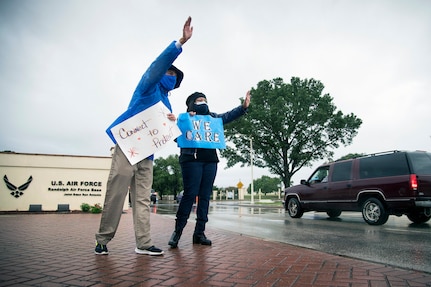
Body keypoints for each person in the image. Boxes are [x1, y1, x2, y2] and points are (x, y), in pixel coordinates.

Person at [95, 17, 193, 256]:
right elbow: (157, 66)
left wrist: (171, 120)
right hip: (127, 146)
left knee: (142, 199)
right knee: (117, 192)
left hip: (147, 155)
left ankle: (144, 242)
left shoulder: (167, 100)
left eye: (174, 74)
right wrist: (180, 42)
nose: (170, 75)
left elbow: (162, 130)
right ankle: (102, 239)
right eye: (168, 72)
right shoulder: (147, 86)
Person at [169, 90, 251, 248]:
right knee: (190, 194)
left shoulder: (213, 118)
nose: (203, 102)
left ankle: (199, 233)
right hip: (191, 160)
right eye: (199, 100)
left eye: (205, 100)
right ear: (192, 104)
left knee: (205, 197)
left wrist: (243, 107)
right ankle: (177, 232)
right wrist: (176, 122)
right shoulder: (184, 119)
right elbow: (174, 136)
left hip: (210, 161)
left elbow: (228, 116)